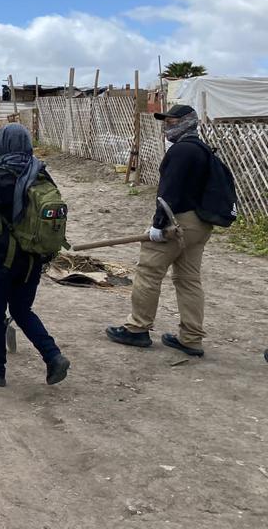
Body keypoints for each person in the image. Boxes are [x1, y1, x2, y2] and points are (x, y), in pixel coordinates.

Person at [0, 123, 71, 387]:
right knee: (22, 309)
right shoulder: (41, 174)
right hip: (33, 259)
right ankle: (53, 356)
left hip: (1, 261)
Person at [106, 104, 214, 357]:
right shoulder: (203, 150)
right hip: (200, 223)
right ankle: (191, 338)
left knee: (148, 271)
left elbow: (169, 193)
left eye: (173, 121)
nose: (167, 125)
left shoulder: (181, 151)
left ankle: (137, 329)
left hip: (177, 222)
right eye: (166, 121)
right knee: (188, 280)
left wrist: (157, 225)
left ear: (187, 121)